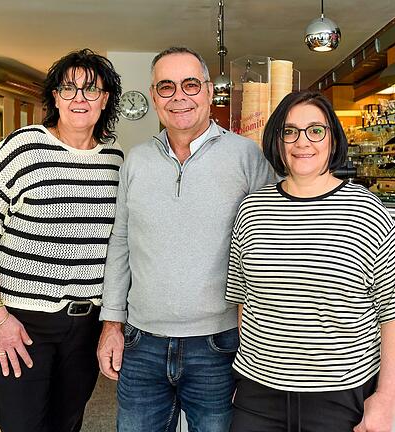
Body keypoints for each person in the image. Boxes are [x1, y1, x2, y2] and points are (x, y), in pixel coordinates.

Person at [96, 46, 276, 432]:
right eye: (166, 86)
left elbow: (273, 244)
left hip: (222, 344)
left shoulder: (247, 157)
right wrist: (111, 324)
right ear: (154, 95)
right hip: (141, 342)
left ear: (209, 92)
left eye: (190, 84)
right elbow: (121, 242)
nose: (179, 96)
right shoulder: (136, 160)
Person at [225, 90, 395, 432]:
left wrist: (386, 399)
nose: (302, 142)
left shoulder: (366, 210)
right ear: (278, 140)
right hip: (257, 396)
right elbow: (244, 302)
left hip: (338, 397)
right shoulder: (252, 210)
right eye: (290, 131)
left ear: (333, 140)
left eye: (315, 130)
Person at [0, 48, 123, 432]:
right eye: (68, 89)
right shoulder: (23, 147)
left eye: (91, 90)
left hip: (86, 323)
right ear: (54, 98)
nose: (79, 98)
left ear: (105, 99)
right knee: (21, 424)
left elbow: (118, 246)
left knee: (67, 423)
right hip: (21, 321)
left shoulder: (115, 160)